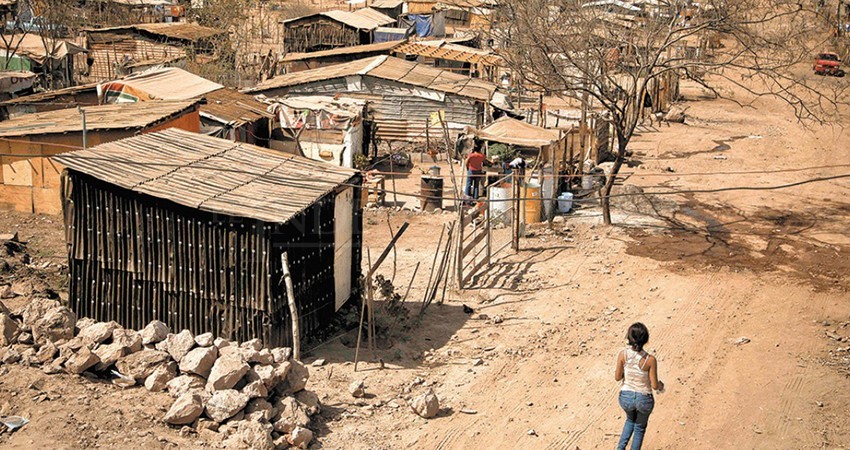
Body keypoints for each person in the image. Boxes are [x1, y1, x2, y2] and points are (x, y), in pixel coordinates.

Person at [615, 323, 664, 450]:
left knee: (630, 420)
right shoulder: (650, 360)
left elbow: (617, 377)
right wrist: (661, 385)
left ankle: (620, 448)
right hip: (644, 399)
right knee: (640, 427)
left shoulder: (623, 355)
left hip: (626, 396)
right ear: (645, 339)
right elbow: (654, 385)